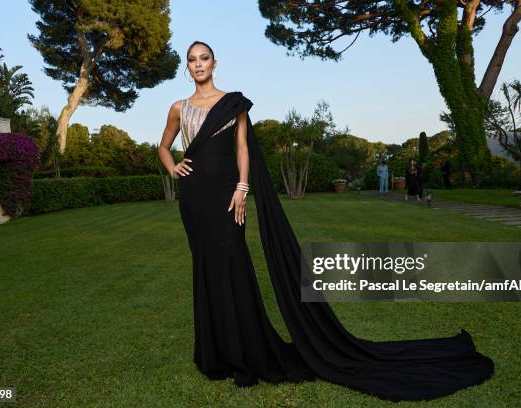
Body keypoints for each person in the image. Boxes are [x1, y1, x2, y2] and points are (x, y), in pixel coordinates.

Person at [158, 41, 494, 402]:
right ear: (187, 67)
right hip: (195, 201)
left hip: (227, 196)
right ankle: (214, 355)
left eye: (204, 58)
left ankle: (243, 353)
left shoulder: (233, 104)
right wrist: (173, 168)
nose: (198, 64)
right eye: (192, 60)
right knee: (205, 268)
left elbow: (242, 149)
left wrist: (243, 186)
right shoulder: (179, 108)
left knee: (233, 266)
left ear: (214, 62)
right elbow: (162, 146)